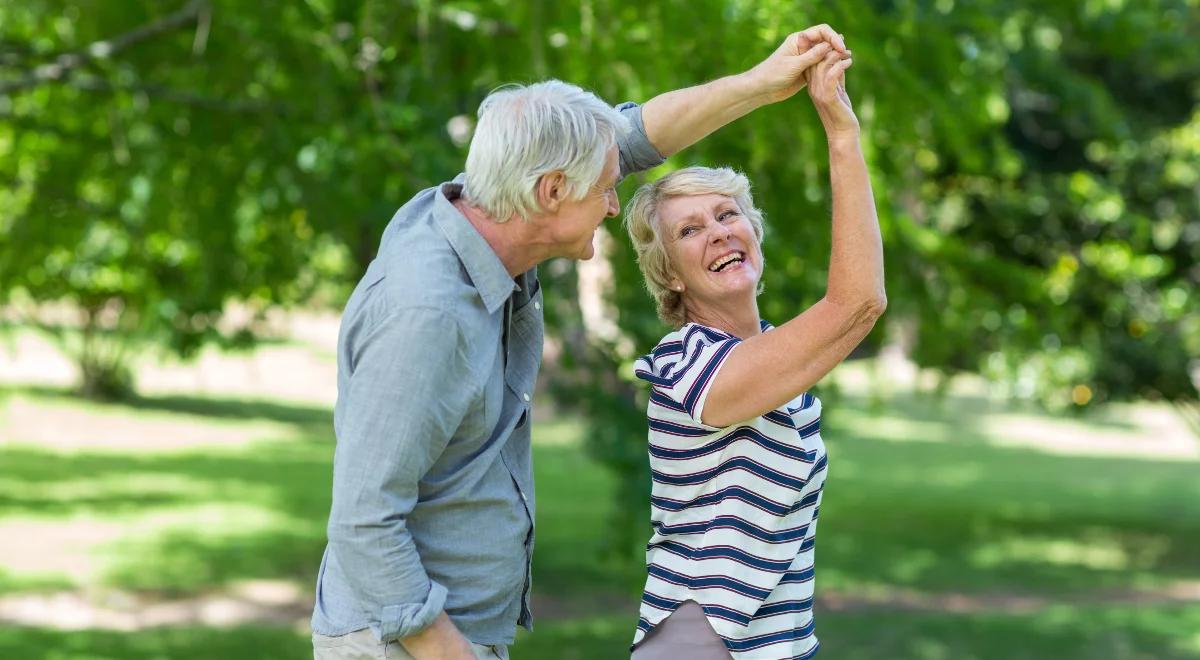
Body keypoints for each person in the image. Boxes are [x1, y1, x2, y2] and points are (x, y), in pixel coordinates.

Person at [309, 25, 851, 660]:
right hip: (404, 643)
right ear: (553, 192)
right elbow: (364, 525)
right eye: (605, 189)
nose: (615, 207)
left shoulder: (496, 200)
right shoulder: (426, 312)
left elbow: (638, 134)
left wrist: (761, 83)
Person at [622, 44, 884, 659]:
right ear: (671, 274)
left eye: (726, 214)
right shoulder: (684, 364)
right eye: (690, 230)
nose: (717, 231)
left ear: (752, 233)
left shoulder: (778, 365)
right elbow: (858, 302)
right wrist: (840, 130)